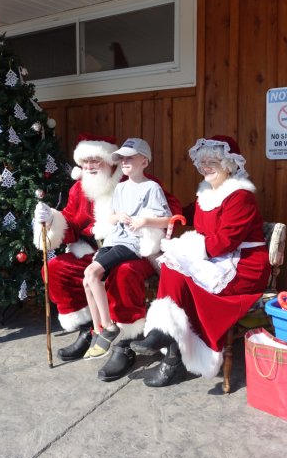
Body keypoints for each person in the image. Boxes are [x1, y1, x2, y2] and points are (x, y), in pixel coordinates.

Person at [33, 133, 182, 380]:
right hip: (95, 248)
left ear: (110, 161)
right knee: (58, 266)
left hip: (136, 250)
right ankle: (89, 328)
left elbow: (171, 210)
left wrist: (144, 223)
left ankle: (125, 342)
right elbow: (70, 221)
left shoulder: (137, 180)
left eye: (96, 160)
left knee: (123, 273)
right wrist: (50, 219)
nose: (90, 166)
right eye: (85, 162)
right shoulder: (79, 189)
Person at [131, 135, 270, 387]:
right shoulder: (207, 193)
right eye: (202, 161)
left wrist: (186, 248)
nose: (206, 166)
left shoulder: (240, 197)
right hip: (215, 259)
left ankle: (169, 352)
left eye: (213, 161)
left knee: (177, 270)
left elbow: (224, 242)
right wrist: (160, 216)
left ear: (228, 164)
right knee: (173, 270)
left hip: (243, 265)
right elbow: (184, 213)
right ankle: (165, 336)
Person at [82, 139, 171, 359]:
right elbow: (109, 217)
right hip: (114, 239)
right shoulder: (120, 187)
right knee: (88, 280)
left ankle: (109, 327)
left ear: (145, 161)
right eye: (122, 158)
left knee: (92, 273)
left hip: (131, 244)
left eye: (130, 157)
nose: (125, 162)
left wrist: (145, 221)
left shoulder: (152, 187)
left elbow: (167, 219)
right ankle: (100, 330)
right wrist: (116, 217)